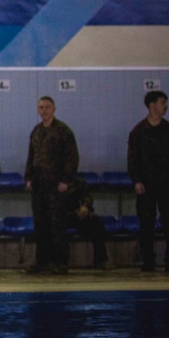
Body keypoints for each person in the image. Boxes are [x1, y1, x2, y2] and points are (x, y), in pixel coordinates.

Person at [23, 96, 79, 275]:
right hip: (39, 185)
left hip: (56, 185)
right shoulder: (36, 131)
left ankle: (61, 262)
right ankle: (42, 261)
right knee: (41, 225)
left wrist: (66, 180)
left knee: (57, 225)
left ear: (54, 108)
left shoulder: (63, 131)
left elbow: (72, 157)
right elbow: (31, 157)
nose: (44, 110)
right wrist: (29, 178)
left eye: (47, 107)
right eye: (41, 107)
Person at [127, 89, 169, 272]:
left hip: (167, 184)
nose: (165, 106)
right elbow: (132, 159)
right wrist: (136, 180)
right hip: (146, 185)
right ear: (152, 106)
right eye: (163, 103)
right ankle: (148, 261)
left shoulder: (168, 130)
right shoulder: (138, 132)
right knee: (146, 223)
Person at [62, 175, 112, 271]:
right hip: (56, 215)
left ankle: (101, 260)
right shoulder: (51, 181)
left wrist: (85, 206)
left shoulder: (78, 182)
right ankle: (59, 263)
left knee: (95, 221)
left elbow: (87, 196)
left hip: (75, 214)